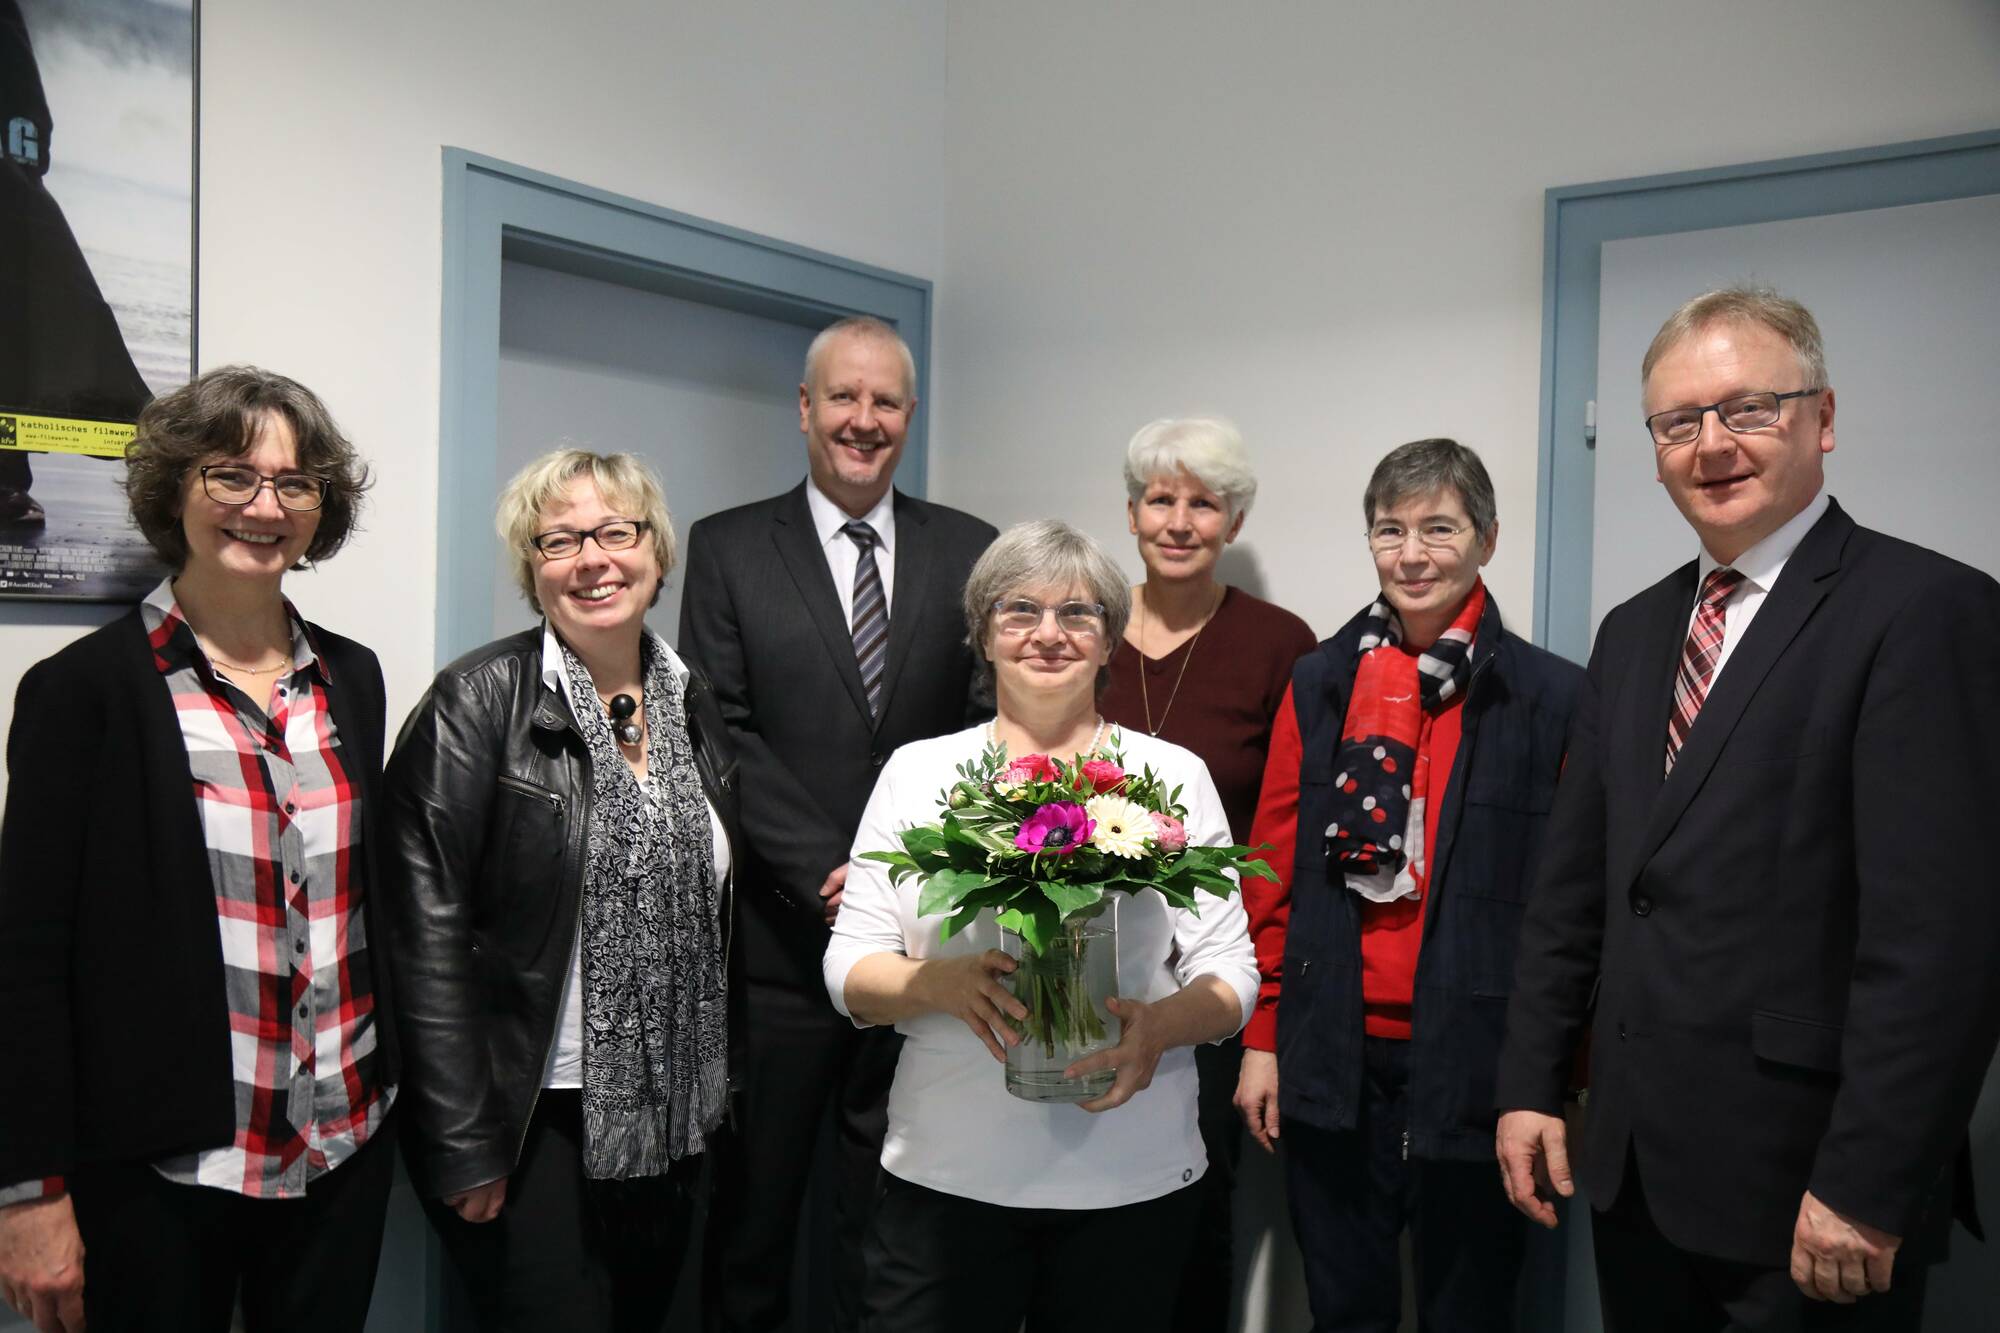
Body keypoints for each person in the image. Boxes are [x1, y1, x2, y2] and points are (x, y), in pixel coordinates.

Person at [1496, 286, 2000, 1332]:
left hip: (1807, 1190)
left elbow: (1938, 942)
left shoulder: (1923, 610)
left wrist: (1866, 1181)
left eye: (1747, 409)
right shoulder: (1631, 634)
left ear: (1820, 418)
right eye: (1677, 421)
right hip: (1632, 1168)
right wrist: (1528, 1083)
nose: (1709, 444)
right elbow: (1575, 893)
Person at [0, 366, 396, 1331]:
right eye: (232, 475)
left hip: (341, 1148)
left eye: (295, 483)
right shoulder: (86, 691)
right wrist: (27, 1191)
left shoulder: (353, 676)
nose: (265, 505)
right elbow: (24, 958)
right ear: (176, 487)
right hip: (162, 1169)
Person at [825, 519, 1260, 1332]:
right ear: (983, 634)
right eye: (1019, 610)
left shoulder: (1170, 777)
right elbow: (848, 967)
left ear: (1109, 642)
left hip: (1132, 1173)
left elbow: (1232, 971)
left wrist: (1160, 1025)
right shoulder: (920, 774)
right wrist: (940, 985)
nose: (1048, 634)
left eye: (1080, 613)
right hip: (947, 1173)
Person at [678, 314, 996, 1332]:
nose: (864, 420)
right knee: (756, 1217)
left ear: (909, 414)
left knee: (893, 1212)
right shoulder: (726, 546)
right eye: (843, 398)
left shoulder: (969, 549)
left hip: (921, 951)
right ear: (806, 409)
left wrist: (897, 873)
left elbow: (982, 729)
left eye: (886, 400)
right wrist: (831, 866)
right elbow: (719, 727)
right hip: (777, 948)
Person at [381, 449, 738, 1330]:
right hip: (531, 1122)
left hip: (679, 1122)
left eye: (618, 532)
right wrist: (464, 1144)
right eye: (560, 540)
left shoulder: (693, 702)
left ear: (657, 555)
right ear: (532, 569)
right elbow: (420, 938)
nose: (593, 559)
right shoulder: (476, 703)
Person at [1231, 438, 1581, 1331]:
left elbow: (1571, 901)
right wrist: (1263, 1034)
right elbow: (1270, 872)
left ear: (1487, 540)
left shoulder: (1548, 696)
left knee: (1474, 1311)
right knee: (1345, 1308)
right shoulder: (1321, 679)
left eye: (1439, 527)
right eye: (1391, 530)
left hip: (1479, 1060)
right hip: (1332, 1054)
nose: (1412, 553)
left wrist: (1553, 1070)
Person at [1098, 415, 1315, 1330]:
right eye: (1161, 499)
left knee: (1195, 1213)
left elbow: (1288, 829)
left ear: (1232, 521)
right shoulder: (1085, 626)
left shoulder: (1280, 642)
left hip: (1216, 979)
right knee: (1083, 1213)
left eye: (1204, 503)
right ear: (1133, 513)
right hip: (1088, 969)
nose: (1180, 520)